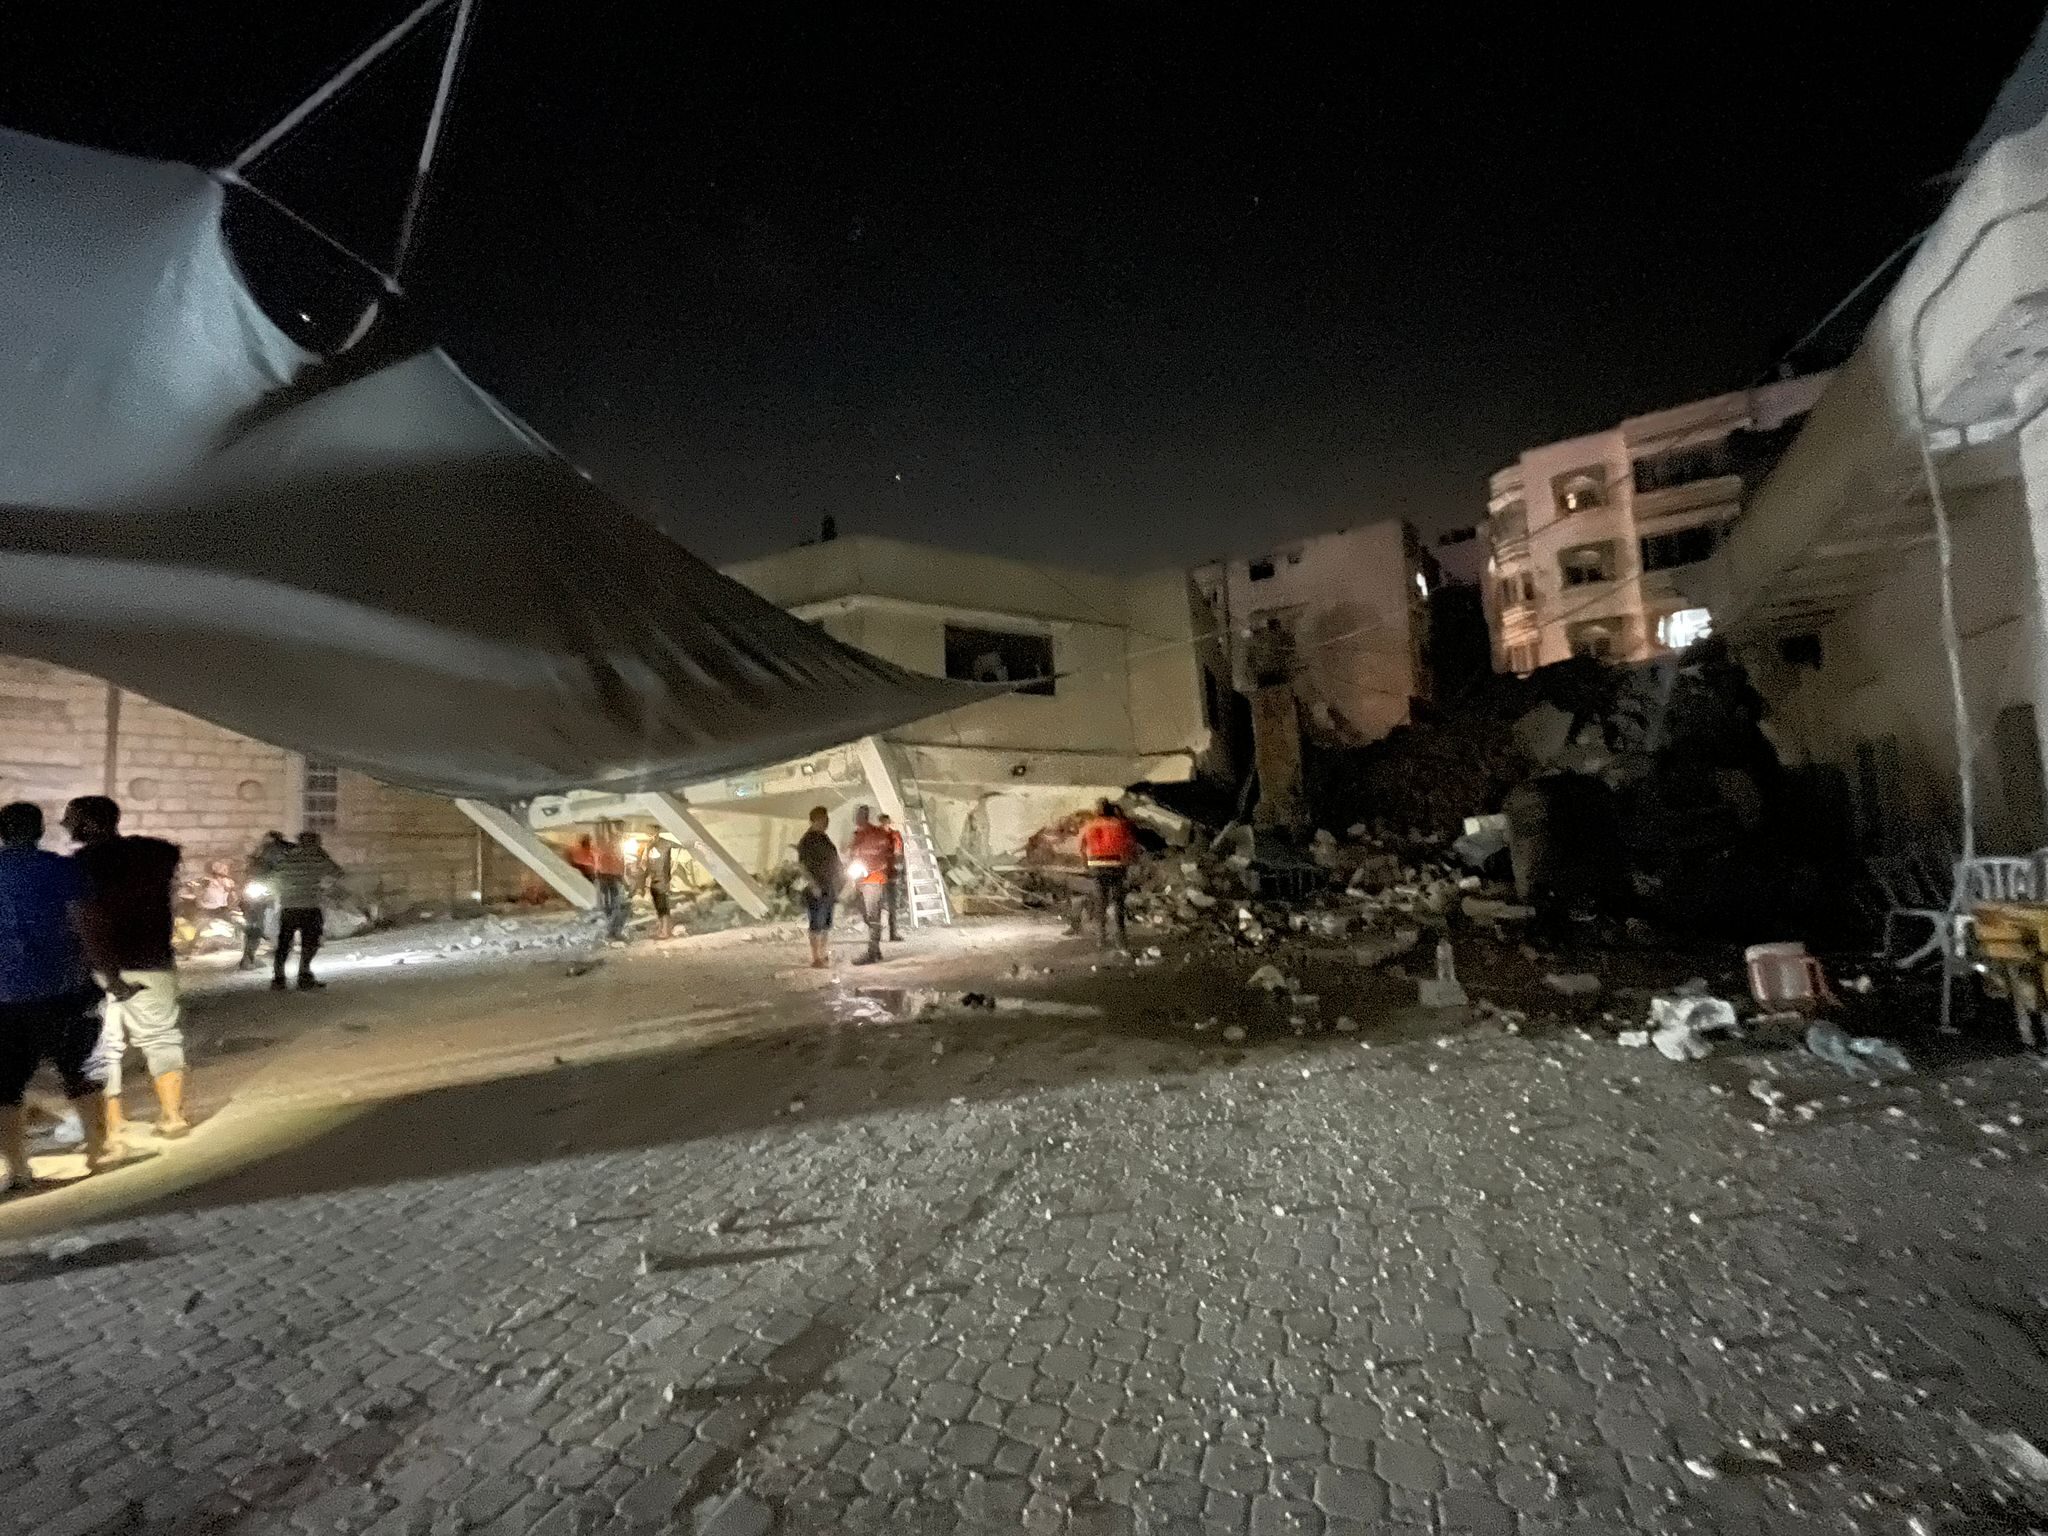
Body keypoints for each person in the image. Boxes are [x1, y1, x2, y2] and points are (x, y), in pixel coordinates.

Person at [62, 795, 188, 1149]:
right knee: (162, 1037)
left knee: (104, 1045)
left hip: (101, 966)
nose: (65, 825)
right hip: (153, 959)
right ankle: (173, 1116)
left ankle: (114, 1124)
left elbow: (87, 920)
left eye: (70, 819)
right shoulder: (154, 853)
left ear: (89, 823)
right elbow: (172, 856)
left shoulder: (81, 866)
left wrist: (107, 970)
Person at [0, 802, 108, 1189]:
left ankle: (18, 1169)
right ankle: (98, 1152)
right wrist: (104, 973)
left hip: (6, 994)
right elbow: (84, 924)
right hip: (64, 986)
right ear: (39, 830)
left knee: (6, 1084)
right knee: (78, 1069)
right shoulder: (62, 869)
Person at [270, 830, 343, 991]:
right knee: (310, 943)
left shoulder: (288, 857)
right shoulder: (318, 856)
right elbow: (337, 873)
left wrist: (283, 893)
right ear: (315, 842)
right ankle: (304, 976)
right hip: (310, 905)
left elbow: (275, 877)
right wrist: (324, 887)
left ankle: (278, 979)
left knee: (284, 944)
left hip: (288, 906)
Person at [1077, 799, 1141, 951]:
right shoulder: (1120, 824)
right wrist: (1129, 862)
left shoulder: (1088, 825)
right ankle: (1121, 939)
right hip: (1117, 865)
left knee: (1101, 901)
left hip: (1096, 866)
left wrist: (1086, 863)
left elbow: (1080, 847)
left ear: (1096, 811)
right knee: (1118, 902)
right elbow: (1130, 844)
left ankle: (1101, 937)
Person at [846, 805, 895, 966]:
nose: (858, 818)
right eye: (858, 814)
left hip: (873, 879)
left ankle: (872, 953)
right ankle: (876, 950)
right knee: (868, 915)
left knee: (873, 916)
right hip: (863, 880)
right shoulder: (859, 835)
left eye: (861, 815)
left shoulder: (876, 834)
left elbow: (883, 855)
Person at [795, 806, 842, 969]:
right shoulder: (807, 841)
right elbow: (802, 866)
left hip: (828, 886)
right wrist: (813, 885)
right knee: (816, 922)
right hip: (816, 887)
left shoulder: (824, 839)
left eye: (826, 818)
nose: (826, 822)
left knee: (826, 922)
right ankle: (816, 957)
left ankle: (823, 953)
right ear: (814, 820)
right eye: (823, 819)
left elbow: (834, 860)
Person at [240, 831, 290, 969]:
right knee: (256, 925)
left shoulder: (264, 852)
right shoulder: (265, 853)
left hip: (266, 891)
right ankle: (248, 958)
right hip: (262, 892)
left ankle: (250, 957)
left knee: (259, 924)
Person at [590, 820, 629, 943]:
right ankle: (612, 931)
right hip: (607, 876)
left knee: (613, 905)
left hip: (609, 876)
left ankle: (612, 931)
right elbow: (619, 862)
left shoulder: (611, 846)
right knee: (612, 905)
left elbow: (619, 863)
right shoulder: (610, 847)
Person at [877, 812, 906, 942]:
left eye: (886, 822)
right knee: (878, 905)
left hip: (892, 874)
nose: (885, 825)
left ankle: (893, 933)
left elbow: (899, 853)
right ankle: (876, 934)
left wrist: (899, 871)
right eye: (883, 822)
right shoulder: (875, 836)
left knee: (893, 905)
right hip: (879, 875)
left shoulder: (895, 835)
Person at [642, 836, 675, 941]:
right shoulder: (652, 847)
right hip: (655, 882)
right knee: (660, 908)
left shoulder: (663, 847)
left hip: (660, 882)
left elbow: (663, 867)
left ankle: (665, 931)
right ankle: (662, 930)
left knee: (662, 908)